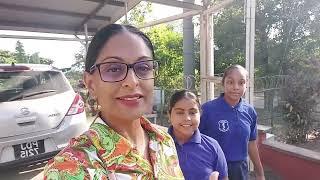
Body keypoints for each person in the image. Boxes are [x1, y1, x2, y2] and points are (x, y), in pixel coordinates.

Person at [43, 24, 184, 179]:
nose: (132, 81)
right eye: (114, 69)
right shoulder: (70, 169)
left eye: (143, 67)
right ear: (90, 84)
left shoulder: (164, 141)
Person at [199, 65, 265, 180]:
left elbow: (252, 144)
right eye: (230, 82)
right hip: (214, 171)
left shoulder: (250, 111)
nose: (236, 87)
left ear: (246, 85)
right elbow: (195, 142)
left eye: (241, 83)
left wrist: (260, 173)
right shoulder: (207, 110)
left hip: (241, 172)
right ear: (223, 84)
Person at [168, 90, 228, 180]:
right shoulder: (157, 145)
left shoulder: (212, 146)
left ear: (200, 114)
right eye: (180, 112)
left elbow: (224, 177)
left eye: (192, 112)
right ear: (169, 115)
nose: (187, 118)